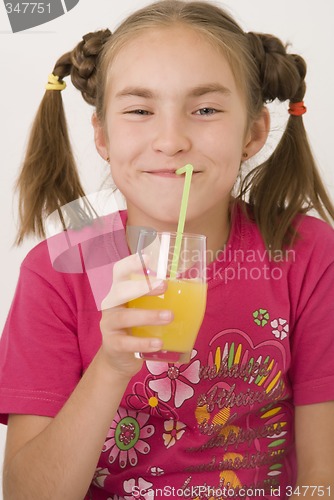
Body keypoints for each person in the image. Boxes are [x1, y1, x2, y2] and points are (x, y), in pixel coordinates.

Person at [1, 0, 334, 498]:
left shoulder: (307, 254)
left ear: (254, 133)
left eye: (205, 110)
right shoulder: (58, 269)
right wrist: (111, 367)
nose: (171, 140)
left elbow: (321, 478)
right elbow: (27, 493)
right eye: (139, 110)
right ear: (102, 137)